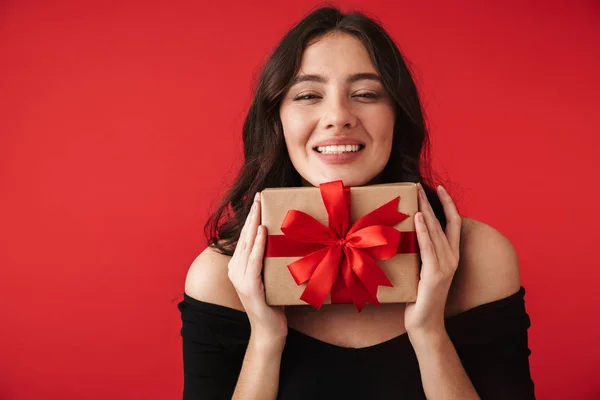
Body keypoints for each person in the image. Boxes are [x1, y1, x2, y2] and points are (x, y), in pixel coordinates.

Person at [178, 6, 535, 399]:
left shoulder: (480, 258)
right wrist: (265, 339)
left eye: (365, 93)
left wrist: (429, 333)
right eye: (308, 94)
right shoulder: (219, 277)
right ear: (276, 119)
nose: (338, 116)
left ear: (397, 115)